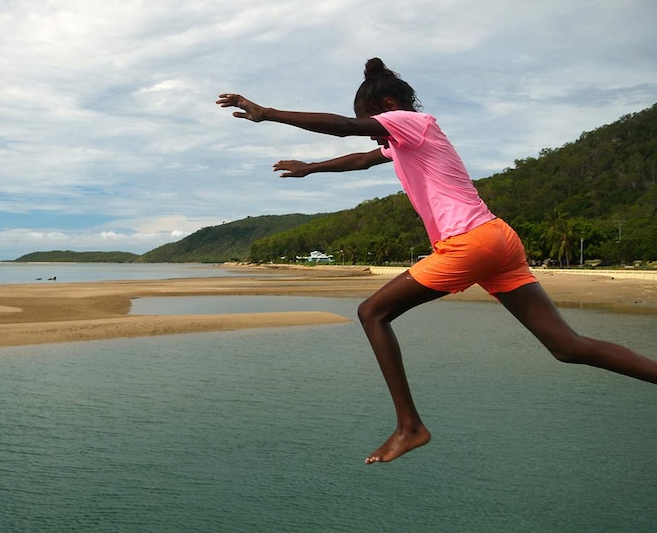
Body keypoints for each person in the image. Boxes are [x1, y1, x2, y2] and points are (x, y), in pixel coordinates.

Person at [216, 58, 657, 465]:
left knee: (372, 312)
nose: (375, 132)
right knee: (567, 346)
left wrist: (267, 112)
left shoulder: (412, 121)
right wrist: (312, 168)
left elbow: (344, 128)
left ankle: (410, 427)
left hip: (469, 243)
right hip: (499, 240)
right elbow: (363, 159)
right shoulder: (406, 141)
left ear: (388, 108)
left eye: (375, 122)